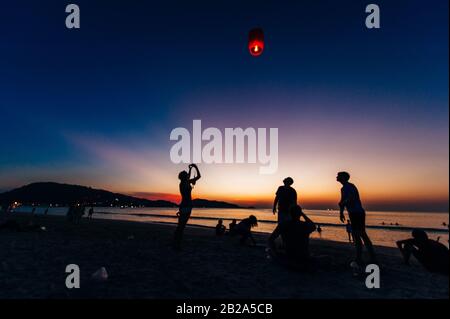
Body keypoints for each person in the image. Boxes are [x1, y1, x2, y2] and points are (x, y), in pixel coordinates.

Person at [337, 171, 377, 267]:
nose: (336, 177)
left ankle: (371, 257)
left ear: (343, 177)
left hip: (357, 213)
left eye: (338, 176)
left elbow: (351, 198)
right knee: (357, 235)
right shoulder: (343, 189)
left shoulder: (350, 186)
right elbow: (342, 201)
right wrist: (341, 212)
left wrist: (344, 203)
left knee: (362, 234)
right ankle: (360, 257)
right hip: (352, 213)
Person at [268, 205, 317, 270]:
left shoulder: (283, 225)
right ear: (300, 214)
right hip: (303, 256)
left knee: (269, 251)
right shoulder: (304, 225)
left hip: (290, 256)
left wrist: (275, 251)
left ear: (290, 213)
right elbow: (313, 226)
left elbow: (271, 239)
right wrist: (303, 215)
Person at [173, 164, 201, 250]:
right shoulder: (185, 182)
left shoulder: (183, 183)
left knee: (180, 226)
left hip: (184, 206)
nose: (187, 174)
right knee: (181, 226)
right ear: (184, 176)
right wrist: (195, 167)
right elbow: (199, 176)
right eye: (186, 173)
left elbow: (189, 178)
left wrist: (190, 169)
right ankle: (177, 244)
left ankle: (176, 241)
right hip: (187, 206)